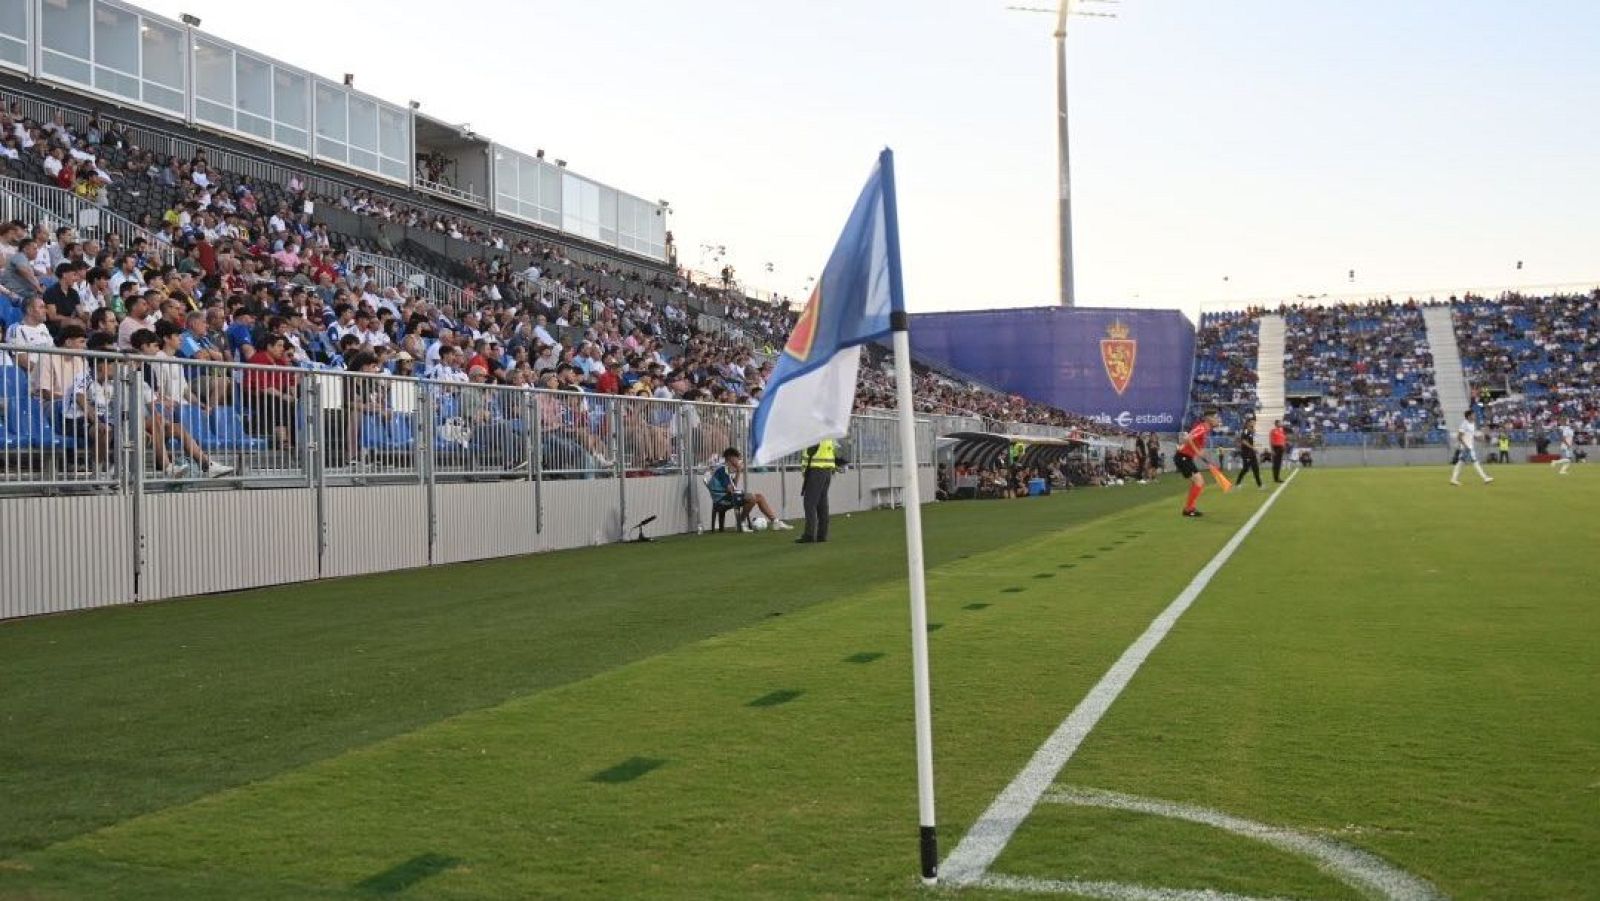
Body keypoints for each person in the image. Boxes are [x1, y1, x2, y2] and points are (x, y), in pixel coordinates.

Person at [706, 448, 790, 532]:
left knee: (759, 497)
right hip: (722, 500)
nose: (738, 460)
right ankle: (741, 523)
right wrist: (738, 491)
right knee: (752, 498)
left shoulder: (725, 470)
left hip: (726, 497)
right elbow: (730, 489)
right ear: (731, 458)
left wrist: (738, 471)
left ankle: (775, 521)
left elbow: (733, 487)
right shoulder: (723, 470)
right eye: (737, 458)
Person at [1175, 408, 1222, 517]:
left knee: (1198, 482)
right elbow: (1187, 438)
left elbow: (1191, 440)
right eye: (1215, 417)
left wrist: (1199, 451)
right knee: (1199, 481)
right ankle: (1188, 509)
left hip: (1186, 457)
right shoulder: (1202, 427)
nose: (1218, 420)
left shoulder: (1205, 428)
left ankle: (1189, 508)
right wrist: (1197, 452)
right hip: (1183, 457)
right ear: (1208, 418)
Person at [797, 438, 845, 543]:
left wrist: (805, 471)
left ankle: (809, 534)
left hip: (816, 470)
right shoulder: (828, 436)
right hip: (827, 471)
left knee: (810, 503)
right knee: (822, 503)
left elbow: (809, 454)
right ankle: (822, 535)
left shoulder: (814, 435)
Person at [1450, 409, 1493, 486]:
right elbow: (1459, 437)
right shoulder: (1464, 424)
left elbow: (1472, 436)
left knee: (1460, 463)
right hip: (1467, 447)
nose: (1475, 416)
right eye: (1473, 414)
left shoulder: (1472, 424)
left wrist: (1480, 439)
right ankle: (1485, 478)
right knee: (1475, 462)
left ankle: (1453, 479)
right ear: (1469, 416)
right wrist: (1466, 446)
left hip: (1469, 446)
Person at [1237, 417, 1264, 490]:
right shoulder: (1245, 431)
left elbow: (1252, 440)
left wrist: (1255, 449)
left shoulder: (1251, 431)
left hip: (1251, 453)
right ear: (1248, 423)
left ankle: (1260, 485)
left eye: (1254, 422)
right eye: (1252, 422)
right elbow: (1243, 441)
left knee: (1256, 468)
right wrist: (1252, 447)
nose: (1254, 423)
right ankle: (1238, 482)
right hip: (1246, 453)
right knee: (1245, 469)